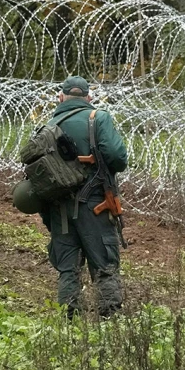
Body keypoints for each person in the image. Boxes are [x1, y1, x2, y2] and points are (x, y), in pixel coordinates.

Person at [41, 76, 128, 319]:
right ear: (89, 98)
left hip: (59, 209)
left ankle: (70, 324)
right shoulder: (97, 118)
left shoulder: (49, 125)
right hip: (96, 206)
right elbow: (118, 158)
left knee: (68, 269)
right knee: (104, 266)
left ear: (61, 98)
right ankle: (109, 320)